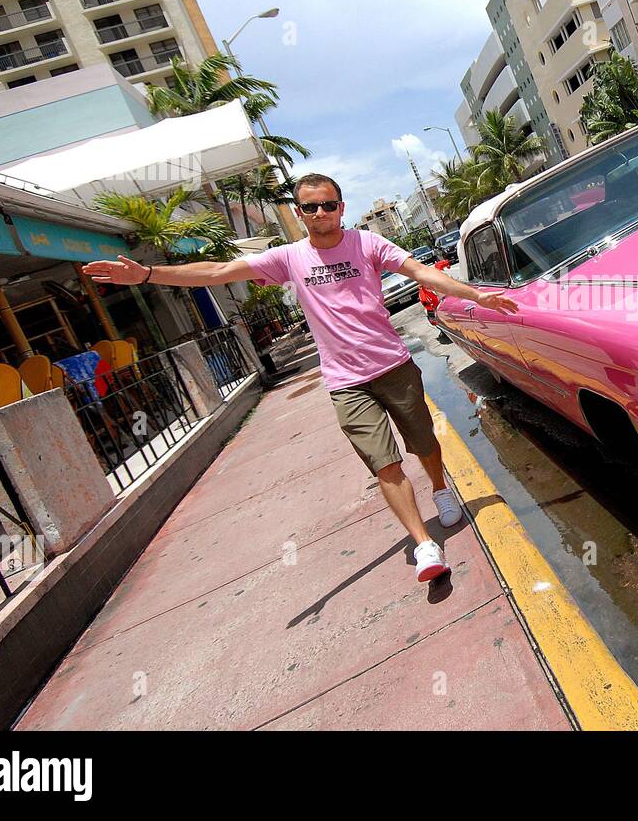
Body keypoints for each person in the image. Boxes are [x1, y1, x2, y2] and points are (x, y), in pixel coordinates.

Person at [83, 173, 518, 584]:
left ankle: (441, 489)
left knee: (424, 442)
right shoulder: (289, 257)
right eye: (310, 207)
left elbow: (422, 273)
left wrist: (476, 294)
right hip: (346, 382)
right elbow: (218, 272)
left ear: (341, 208)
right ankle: (424, 547)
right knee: (383, 462)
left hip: (393, 366)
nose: (320, 213)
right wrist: (147, 274)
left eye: (328, 205)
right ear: (299, 212)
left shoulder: (368, 242)